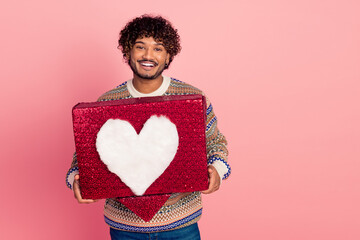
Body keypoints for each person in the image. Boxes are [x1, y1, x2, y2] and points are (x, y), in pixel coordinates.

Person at [66, 14, 231, 240]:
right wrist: (76, 179)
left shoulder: (191, 97)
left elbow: (215, 142)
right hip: (124, 228)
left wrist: (217, 171)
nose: (148, 55)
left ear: (168, 55)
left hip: (180, 225)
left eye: (158, 48)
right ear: (127, 51)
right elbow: (84, 155)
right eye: (140, 47)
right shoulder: (106, 101)